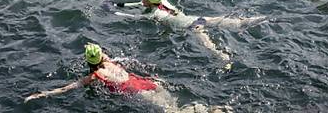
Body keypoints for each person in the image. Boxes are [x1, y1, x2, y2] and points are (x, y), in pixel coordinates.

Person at [24, 43, 227, 111]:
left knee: (171, 111)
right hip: (147, 83)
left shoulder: (95, 75)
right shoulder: (110, 61)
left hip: (136, 91)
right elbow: (101, 53)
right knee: (173, 104)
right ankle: (210, 109)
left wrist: (42, 94)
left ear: (89, 61)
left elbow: (68, 88)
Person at [111, 0, 265, 66]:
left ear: (150, 0)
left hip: (191, 27)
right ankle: (252, 20)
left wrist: (117, 13)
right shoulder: (163, 2)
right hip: (197, 19)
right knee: (225, 21)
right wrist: (119, 5)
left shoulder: (152, 14)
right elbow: (138, 3)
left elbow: (134, 17)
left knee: (210, 47)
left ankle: (224, 58)